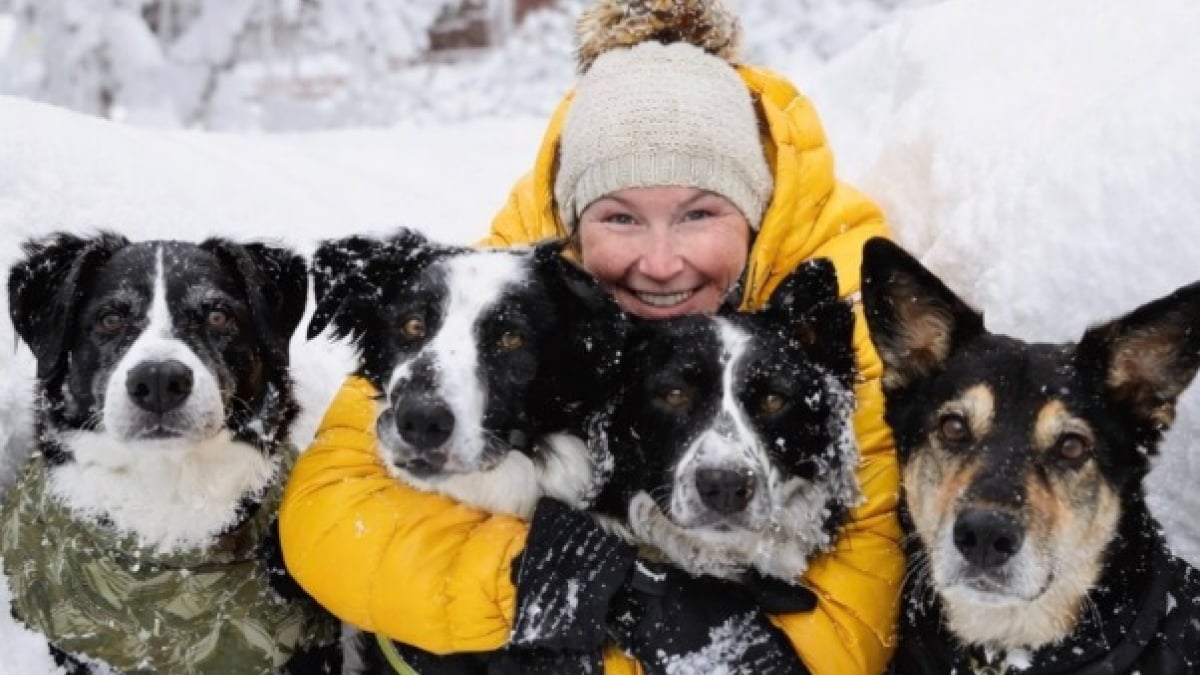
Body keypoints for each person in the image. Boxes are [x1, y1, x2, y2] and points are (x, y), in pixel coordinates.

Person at [279, 0, 903, 673]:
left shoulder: (844, 313)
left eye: (698, 213)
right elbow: (331, 516)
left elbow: (850, 627)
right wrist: (549, 582)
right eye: (621, 218)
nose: (662, 263)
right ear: (575, 223)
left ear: (753, 210)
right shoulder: (504, 290)